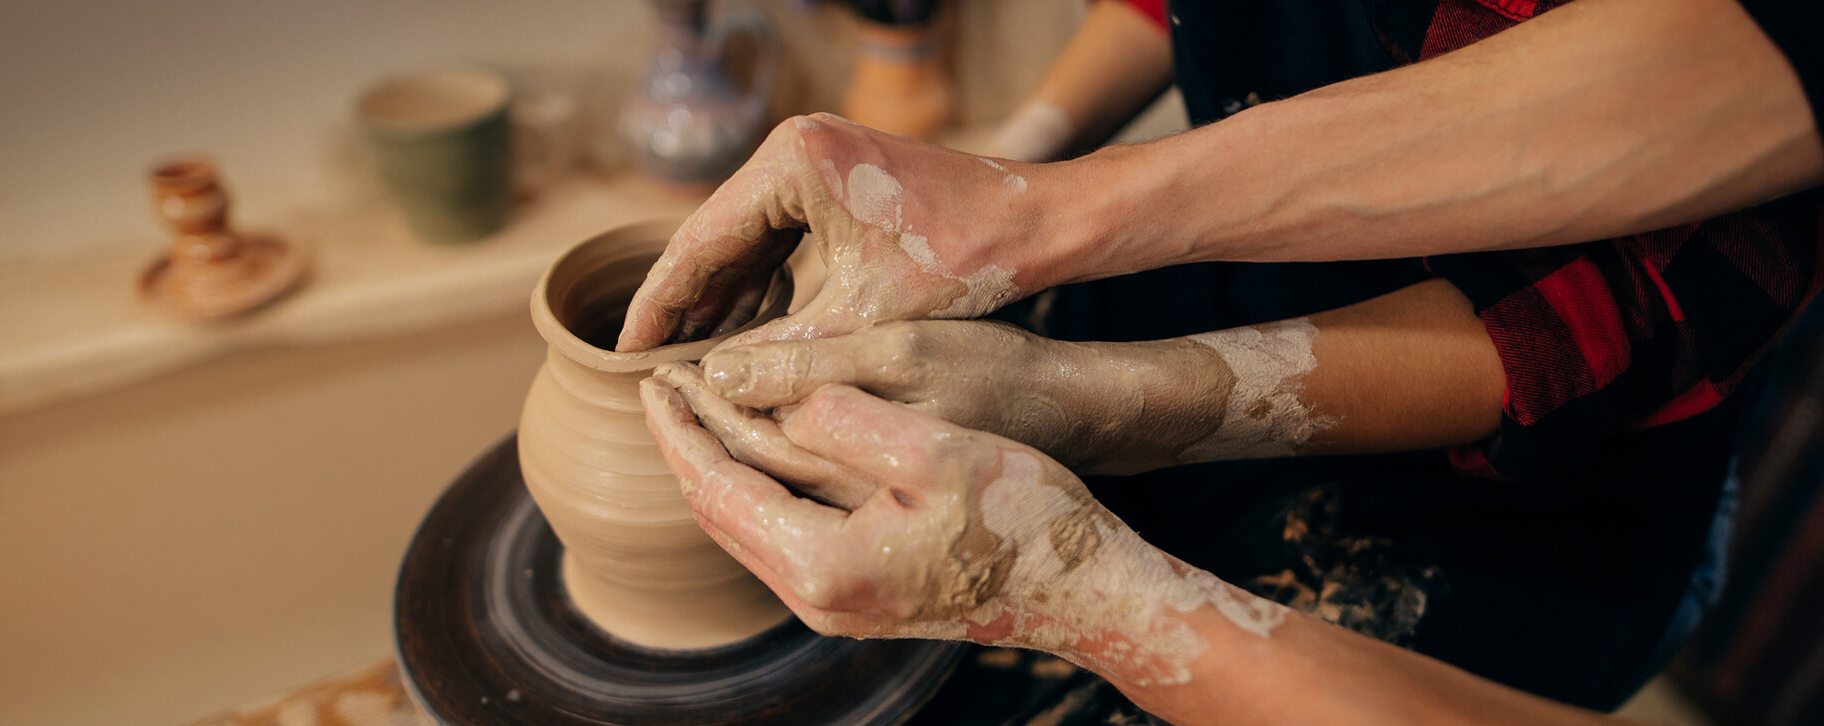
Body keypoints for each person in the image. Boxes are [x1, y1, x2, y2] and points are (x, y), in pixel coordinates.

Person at [616, 0, 1824, 723]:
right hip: (1222, 262)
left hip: (1537, 482)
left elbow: (1628, 302)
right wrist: (1009, 168)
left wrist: (1118, 404)